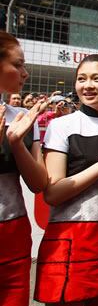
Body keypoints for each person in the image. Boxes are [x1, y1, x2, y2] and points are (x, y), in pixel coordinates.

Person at [34, 54, 98, 305]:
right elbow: (52, 193)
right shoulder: (62, 125)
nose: (87, 85)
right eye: (81, 79)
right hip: (69, 234)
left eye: (97, 79)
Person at [0, 31, 48, 306]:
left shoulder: (22, 118)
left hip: (14, 231)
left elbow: (39, 183)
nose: (25, 73)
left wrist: (16, 144)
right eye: (17, 65)